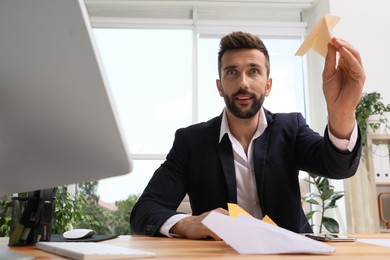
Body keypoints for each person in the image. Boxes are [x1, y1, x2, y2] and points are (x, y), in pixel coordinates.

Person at [130, 31, 365, 240]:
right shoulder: (191, 141)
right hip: (219, 256)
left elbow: (338, 167)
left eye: (253, 71)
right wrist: (186, 223)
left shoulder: (290, 127)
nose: (243, 83)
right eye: (232, 72)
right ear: (220, 86)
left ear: (268, 85)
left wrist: (341, 111)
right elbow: (145, 210)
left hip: (289, 254)